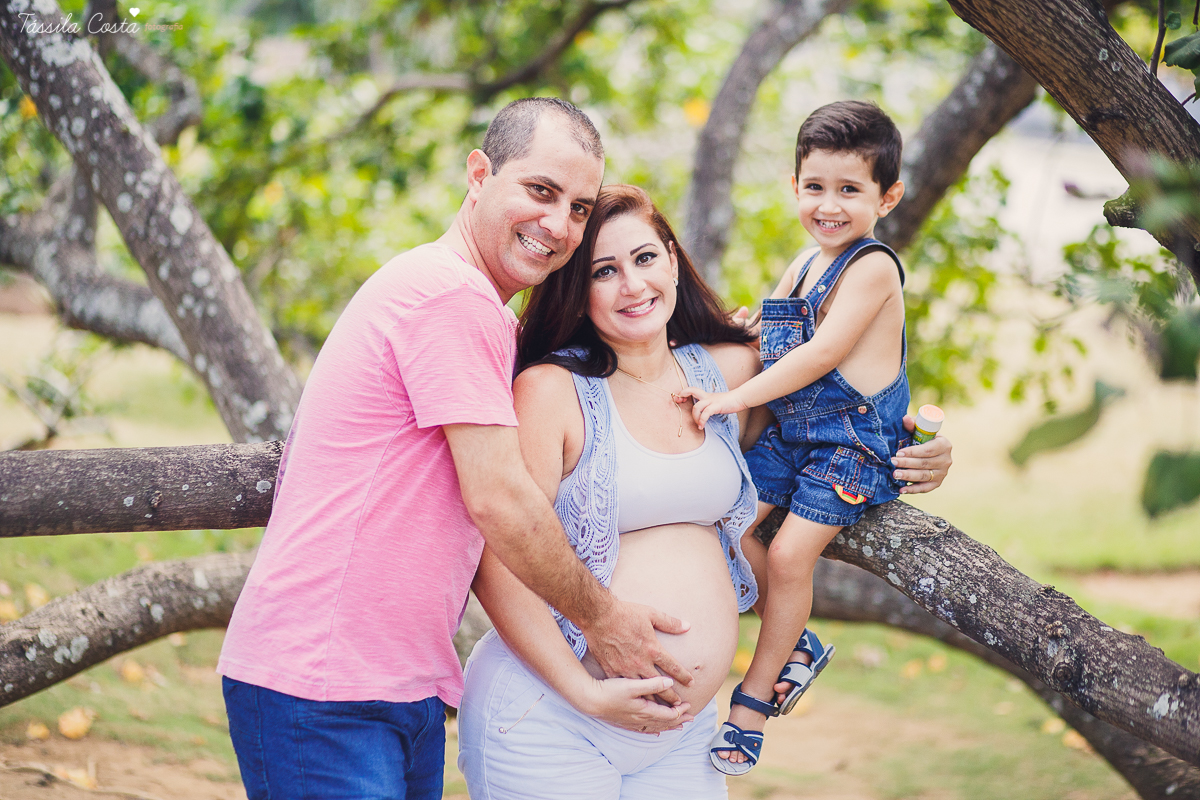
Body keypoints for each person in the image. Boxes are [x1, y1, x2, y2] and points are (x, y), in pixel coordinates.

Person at [215, 99, 694, 800]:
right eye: (539, 191)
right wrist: (604, 622)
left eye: (579, 207)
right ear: (479, 173)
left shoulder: (475, 310)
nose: (558, 225)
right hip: (322, 687)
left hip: (392, 687)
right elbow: (499, 496)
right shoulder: (449, 298)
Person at [457, 183, 952, 798]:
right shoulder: (551, 390)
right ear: (575, 290)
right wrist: (582, 689)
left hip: (687, 736)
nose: (633, 286)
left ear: (670, 257)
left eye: (643, 259)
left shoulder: (729, 372)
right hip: (554, 715)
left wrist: (924, 450)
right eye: (603, 271)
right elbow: (498, 557)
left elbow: (847, 418)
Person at [678, 100, 917, 774]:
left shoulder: (872, 268)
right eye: (815, 187)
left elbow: (814, 358)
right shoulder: (804, 263)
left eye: (850, 190)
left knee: (787, 559)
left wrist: (732, 399)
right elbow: (764, 338)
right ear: (794, 187)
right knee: (728, 526)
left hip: (851, 446)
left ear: (887, 196)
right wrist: (729, 334)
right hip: (792, 434)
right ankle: (797, 643)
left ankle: (752, 704)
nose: (828, 205)